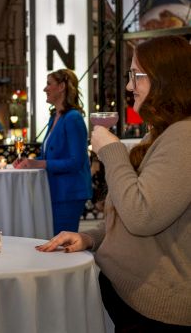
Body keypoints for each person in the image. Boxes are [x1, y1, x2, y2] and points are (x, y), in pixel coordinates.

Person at [37, 36, 191, 331]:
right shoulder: (164, 132)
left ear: (164, 78)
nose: (130, 86)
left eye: (135, 75)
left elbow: (142, 216)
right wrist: (93, 237)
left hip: (158, 308)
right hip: (132, 294)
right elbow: (134, 207)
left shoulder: (183, 136)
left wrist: (112, 151)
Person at [15, 68, 92, 234]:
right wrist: (29, 162)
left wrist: (40, 163)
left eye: (49, 84)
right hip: (55, 192)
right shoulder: (55, 117)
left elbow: (76, 162)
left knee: (62, 244)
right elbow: (49, 156)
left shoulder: (73, 118)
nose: (45, 89)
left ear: (62, 86)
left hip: (68, 194)